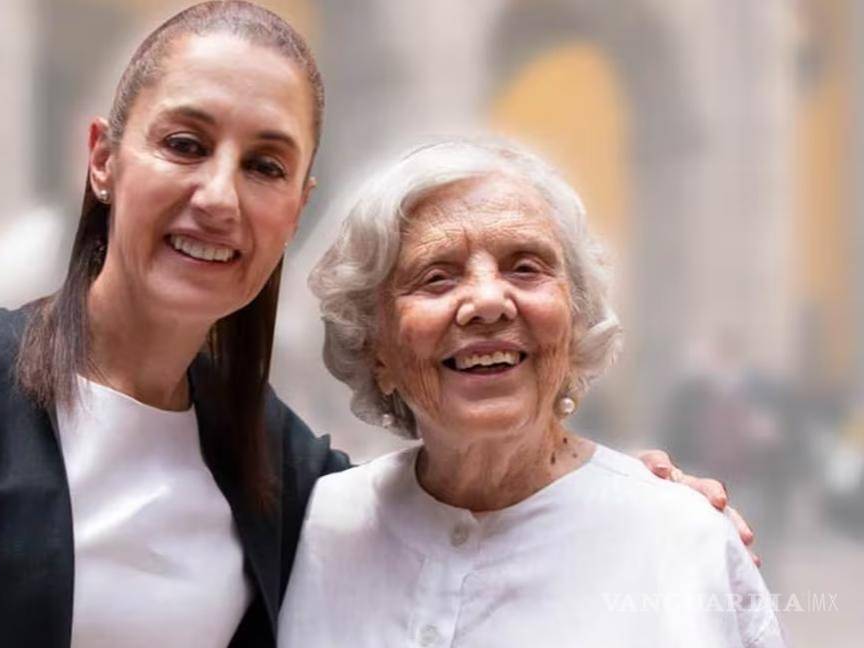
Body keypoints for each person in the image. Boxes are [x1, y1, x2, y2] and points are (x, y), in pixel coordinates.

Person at [0, 3, 750, 647]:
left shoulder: (285, 472)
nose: (218, 195)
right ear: (105, 160)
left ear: (297, 208)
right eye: (186, 143)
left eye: (265, 165)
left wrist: (636, 496)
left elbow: (458, 499)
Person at [280, 138, 784, 647]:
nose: (488, 301)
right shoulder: (316, 524)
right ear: (375, 348)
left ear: (575, 319)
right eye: (436, 277)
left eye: (525, 267)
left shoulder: (685, 542)